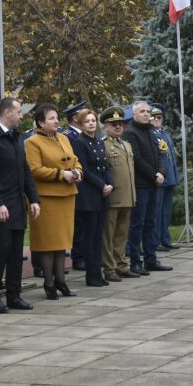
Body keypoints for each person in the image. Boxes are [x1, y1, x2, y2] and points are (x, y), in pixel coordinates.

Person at [0, 97, 41, 312]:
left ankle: (14, 295)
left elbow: (25, 170)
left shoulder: (15, 137)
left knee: (15, 251)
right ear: (7, 113)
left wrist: (33, 198)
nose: (21, 115)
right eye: (19, 111)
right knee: (0, 249)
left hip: (16, 204)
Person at [25, 103, 83, 299]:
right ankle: (49, 283)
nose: (56, 121)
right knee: (48, 243)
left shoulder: (64, 137)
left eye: (56, 117)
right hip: (47, 199)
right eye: (51, 118)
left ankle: (61, 281)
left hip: (67, 196)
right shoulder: (33, 142)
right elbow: (34, 169)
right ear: (41, 122)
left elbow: (75, 160)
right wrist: (61, 174)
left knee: (62, 242)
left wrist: (77, 171)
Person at [124, 100, 173, 274]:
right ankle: (135, 261)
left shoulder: (151, 132)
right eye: (143, 111)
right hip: (141, 185)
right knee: (138, 224)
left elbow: (161, 154)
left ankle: (151, 259)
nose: (147, 114)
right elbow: (136, 159)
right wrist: (154, 175)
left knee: (151, 223)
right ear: (134, 114)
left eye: (148, 112)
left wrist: (162, 172)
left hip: (154, 184)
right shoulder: (130, 133)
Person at [72, 109, 113, 286]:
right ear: (81, 124)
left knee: (98, 236)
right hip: (89, 195)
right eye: (87, 121)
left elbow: (106, 165)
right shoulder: (80, 143)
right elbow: (86, 170)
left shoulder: (98, 142)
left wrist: (110, 183)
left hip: (102, 195)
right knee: (89, 237)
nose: (91, 124)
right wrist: (102, 185)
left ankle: (98, 272)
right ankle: (91, 274)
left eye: (93, 121)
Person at [101, 106, 138, 281]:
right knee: (109, 235)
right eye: (113, 124)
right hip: (113, 197)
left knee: (122, 233)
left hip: (128, 196)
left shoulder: (127, 145)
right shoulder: (103, 145)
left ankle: (121, 264)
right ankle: (109, 268)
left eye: (120, 124)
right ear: (106, 126)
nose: (117, 127)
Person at [62, 101, 87, 270]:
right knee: (78, 223)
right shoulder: (69, 136)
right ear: (75, 117)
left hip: (84, 183)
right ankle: (78, 257)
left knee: (84, 224)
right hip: (75, 184)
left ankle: (84, 254)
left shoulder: (84, 135)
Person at [151, 104, 179, 251]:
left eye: (159, 117)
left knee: (166, 212)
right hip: (159, 180)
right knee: (157, 212)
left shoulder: (165, 134)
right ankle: (156, 242)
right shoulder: (150, 135)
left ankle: (165, 239)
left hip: (169, 179)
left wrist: (174, 177)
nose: (156, 120)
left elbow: (171, 158)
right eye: (153, 117)